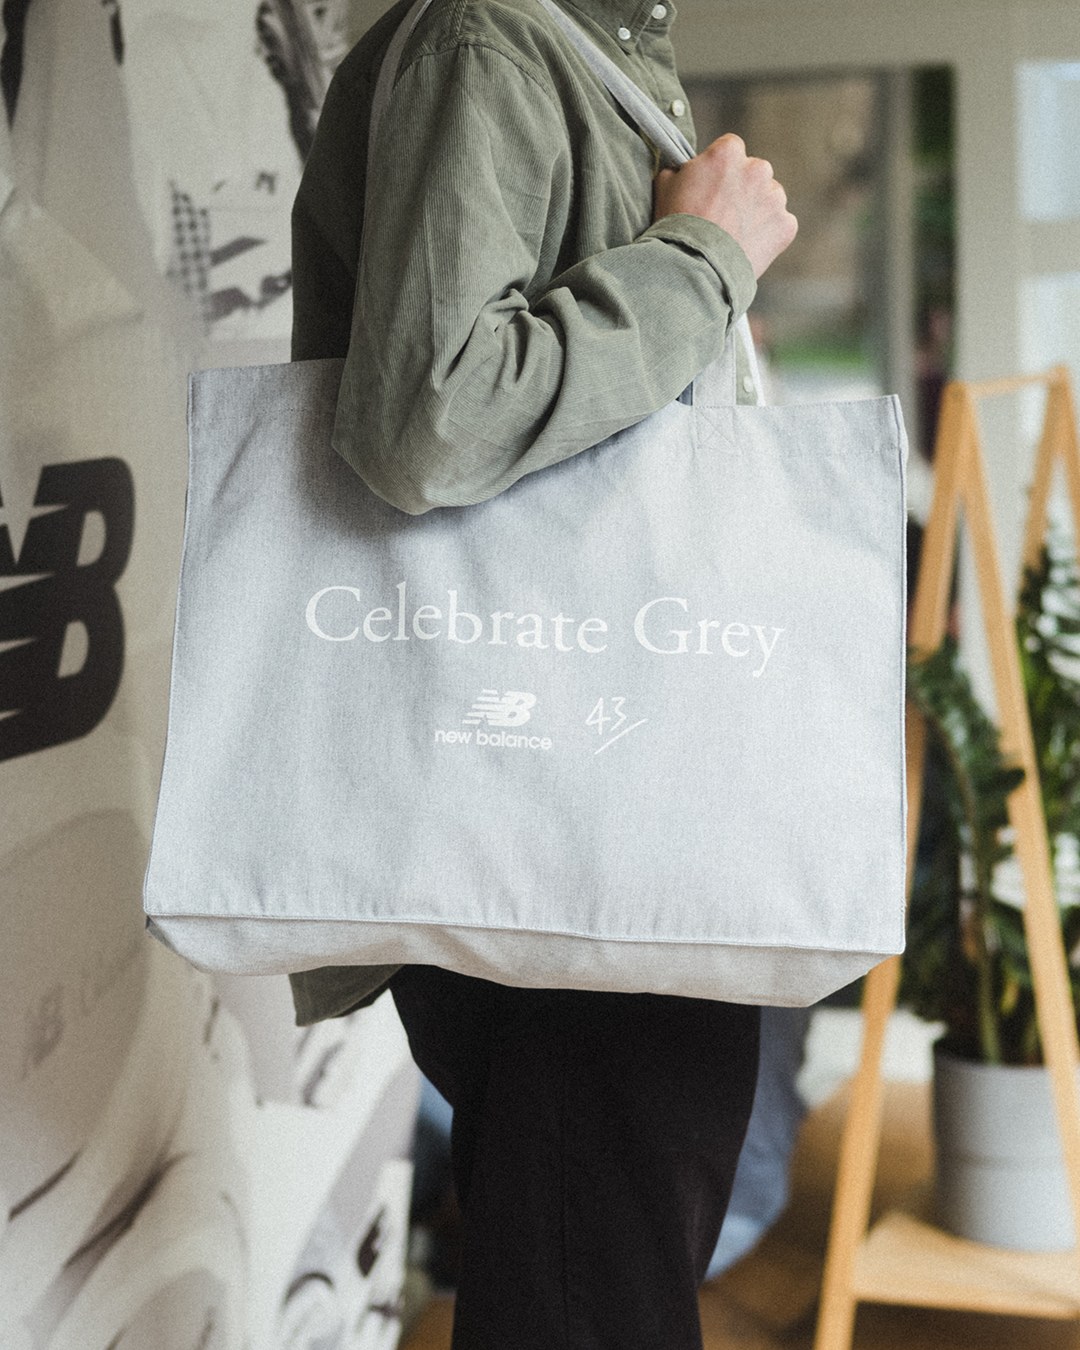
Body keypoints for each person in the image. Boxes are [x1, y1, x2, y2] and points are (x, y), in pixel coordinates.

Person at [289, 1, 797, 1345]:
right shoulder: (492, 43)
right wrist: (702, 261)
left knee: (594, 1265)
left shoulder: (579, 47)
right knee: (592, 1283)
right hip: (562, 791)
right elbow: (430, 419)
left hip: (593, 774)